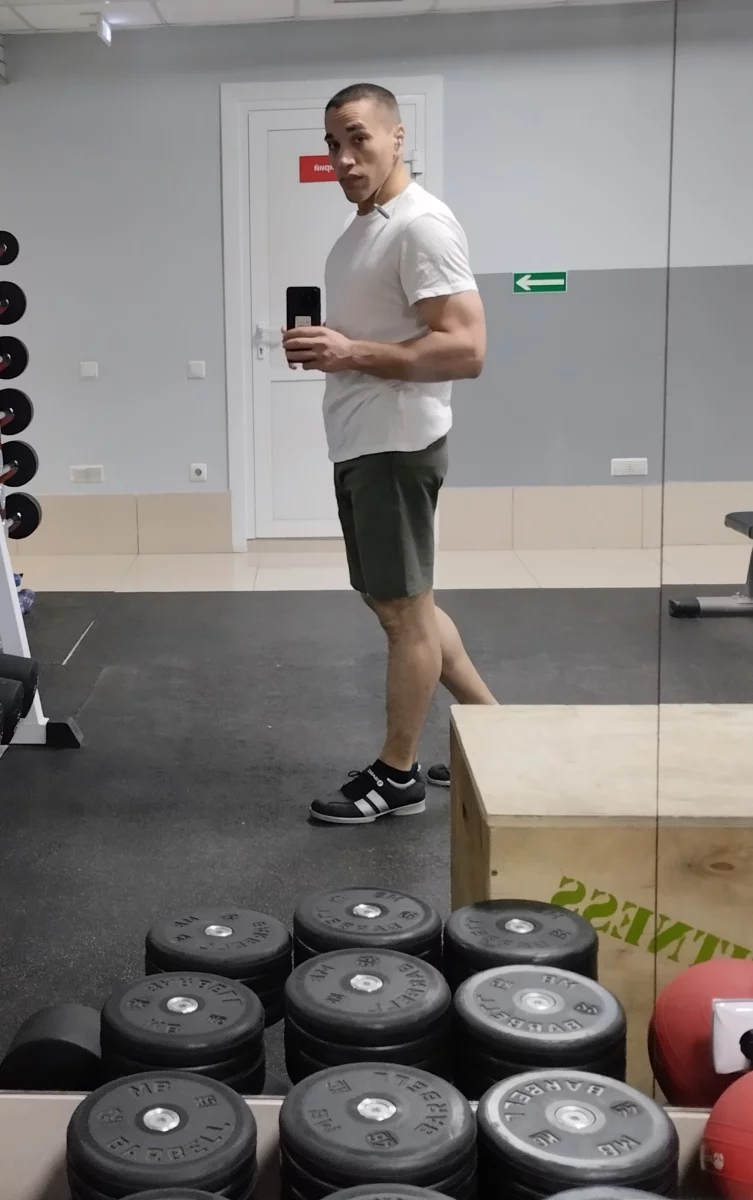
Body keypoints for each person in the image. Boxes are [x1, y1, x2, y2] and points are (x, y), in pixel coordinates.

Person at [282, 82, 496, 826]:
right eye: (332, 145)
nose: (343, 158)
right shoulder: (363, 230)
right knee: (406, 605)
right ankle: (495, 731)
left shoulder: (420, 226)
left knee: (403, 615)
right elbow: (378, 339)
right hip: (364, 440)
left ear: (397, 137)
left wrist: (353, 353)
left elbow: (466, 349)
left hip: (396, 445)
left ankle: (397, 774)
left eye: (358, 138)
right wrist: (334, 351)